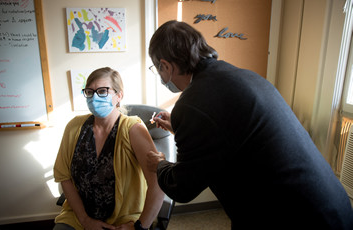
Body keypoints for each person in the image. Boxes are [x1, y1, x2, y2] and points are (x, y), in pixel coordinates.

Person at [147, 20, 353, 229]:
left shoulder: (193, 103)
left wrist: (159, 164)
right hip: (331, 206)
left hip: (299, 217)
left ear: (166, 66)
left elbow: (182, 187)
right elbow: (228, 135)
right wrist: (179, 127)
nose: (162, 77)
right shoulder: (242, 76)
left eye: (158, 69)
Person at [53, 67, 164, 230]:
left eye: (103, 91)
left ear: (119, 95)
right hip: (79, 217)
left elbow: (158, 182)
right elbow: (64, 176)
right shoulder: (74, 127)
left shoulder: (132, 128)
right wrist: (85, 220)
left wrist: (139, 227)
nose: (95, 97)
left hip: (124, 221)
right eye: (89, 92)